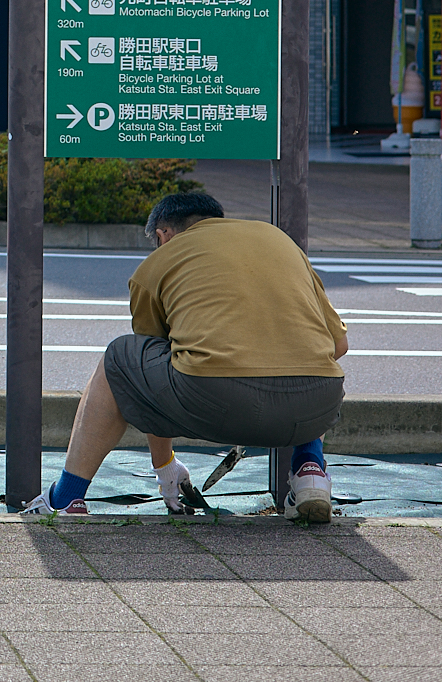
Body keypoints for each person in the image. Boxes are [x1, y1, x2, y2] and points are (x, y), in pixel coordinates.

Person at [24, 192, 348, 523]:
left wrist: (164, 467)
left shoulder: (159, 262)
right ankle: (309, 469)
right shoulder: (280, 241)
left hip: (214, 399)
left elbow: (155, 366)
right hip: (315, 405)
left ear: (163, 235)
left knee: (119, 359)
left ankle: (65, 498)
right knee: (312, 355)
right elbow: (338, 345)